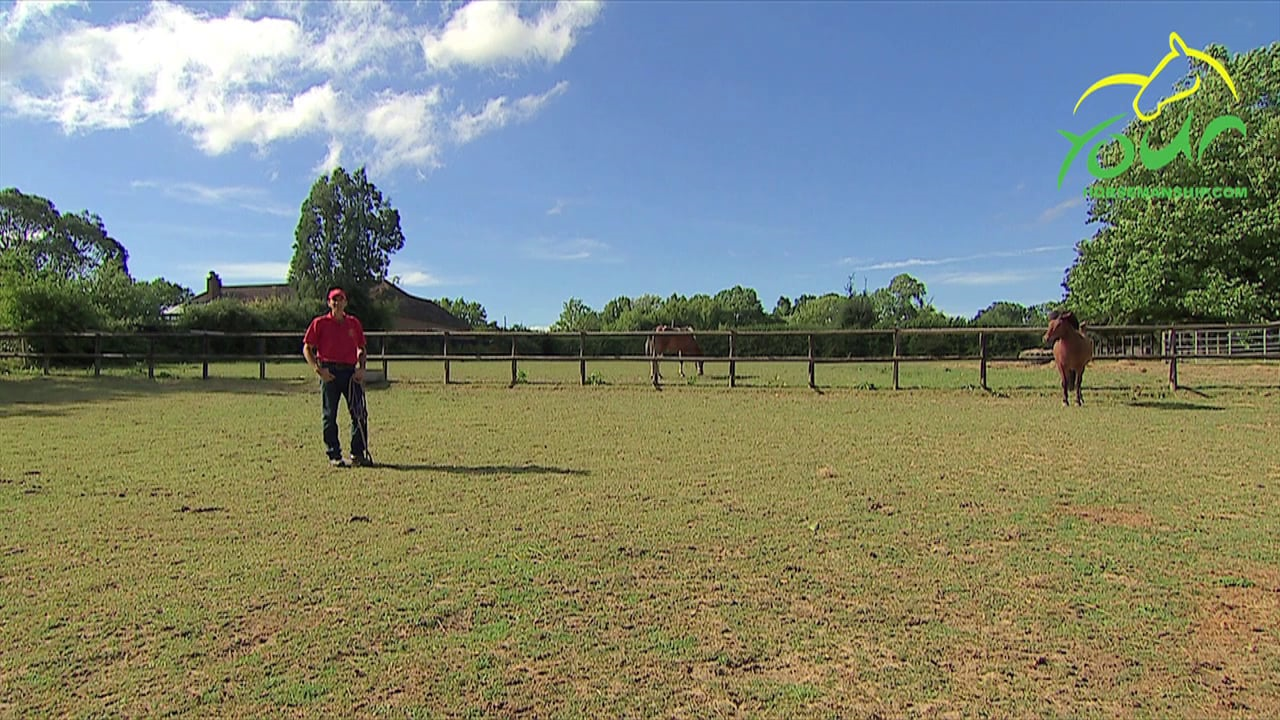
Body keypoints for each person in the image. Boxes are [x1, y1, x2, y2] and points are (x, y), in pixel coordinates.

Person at [302, 287, 370, 467]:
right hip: (329, 372)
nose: (337, 303)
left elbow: (361, 348)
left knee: (359, 412)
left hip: (350, 373)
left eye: (341, 300)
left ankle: (358, 453)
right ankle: (334, 454)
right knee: (329, 415)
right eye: (334, 300)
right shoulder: (319, 323)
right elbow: (307, 348)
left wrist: (361, 368)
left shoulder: (354, 324)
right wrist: (318, 370)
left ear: (346, 302)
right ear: (329, 303)